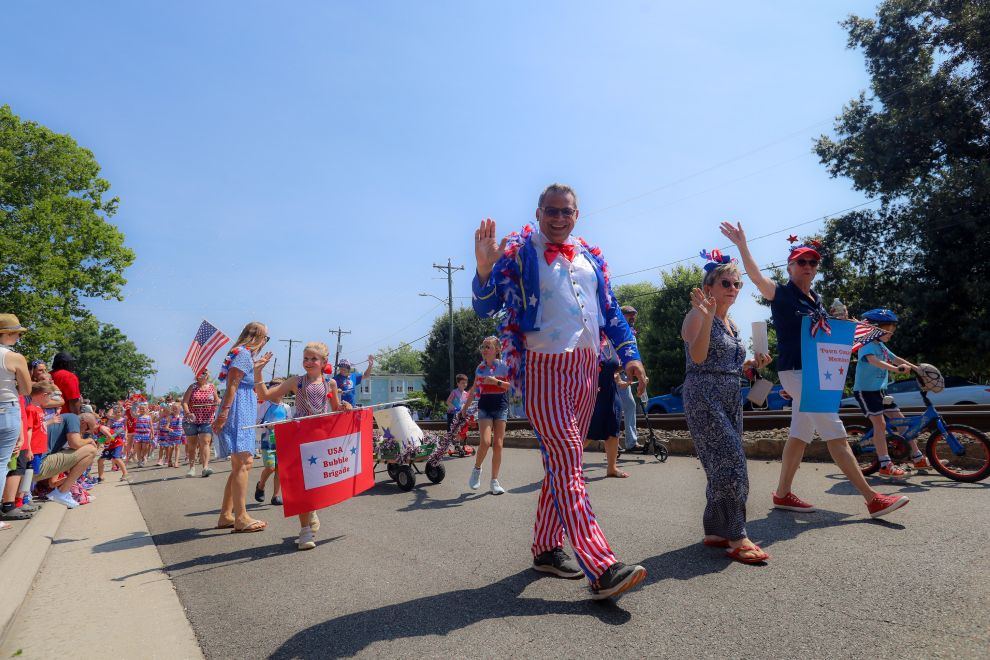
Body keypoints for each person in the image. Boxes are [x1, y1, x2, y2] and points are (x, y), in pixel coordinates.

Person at [471, 183, 649, 600]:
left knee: (561, 459)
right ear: (538, 212)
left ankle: (547, 549)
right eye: (551, 210)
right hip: (543, 367)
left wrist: (630, 355)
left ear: (576, 214)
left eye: (566, 211)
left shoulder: (591, 256)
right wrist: (483, 270)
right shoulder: (519, 251)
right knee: (568, 459)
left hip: (588, 368)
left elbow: (611, 311)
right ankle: (602, 566)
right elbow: (485, 307)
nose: (558, 217)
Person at [721, 222, 909, 518]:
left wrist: (846, 325)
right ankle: (872, 498)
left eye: (812, 262)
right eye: (802, 262)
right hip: (799, 372)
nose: (808, 266)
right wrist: (743, 245)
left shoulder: (817, 300)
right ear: (790, 267)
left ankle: (782, 494)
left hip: (814, 374)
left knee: (800, 434)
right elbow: (756, 277)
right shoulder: (781, 294)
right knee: (835, 432)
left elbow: (825, 337)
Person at [681, 252, 772, 564]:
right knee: (731, 461)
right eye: (726, 282)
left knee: (723, 463)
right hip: (704, 395)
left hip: (730, 395)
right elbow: (699, 357)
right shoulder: (697, 315)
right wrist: (706, 316)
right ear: (709, 286)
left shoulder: (730, 322)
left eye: (737, 283)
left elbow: (725, 360)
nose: (733, 287)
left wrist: (751, 363)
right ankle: (736, 535)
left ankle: (716, 530)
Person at [254, 342, 343, 550]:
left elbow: (337, 409)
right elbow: (265, 395)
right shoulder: (296, 382)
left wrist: (345, 407)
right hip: (299, 437)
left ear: (323, 363)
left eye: (313, 359)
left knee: (317, 485)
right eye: (306, 358)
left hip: (321, 438)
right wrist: (258, 373)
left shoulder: (330, 384)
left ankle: (311, 513)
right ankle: (305, 531)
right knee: (302, 485)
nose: (309, 362)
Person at [852, 308, 930, 476]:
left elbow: (896, 359)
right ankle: (885, 465)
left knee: (901, 420)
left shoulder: (881, 345)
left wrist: (918, 369)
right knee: (879, 424)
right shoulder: (867, 344)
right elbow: (874, 361)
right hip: (866, 392)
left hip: (880, 391)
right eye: (888, 330)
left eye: (893, 330)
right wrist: (896, 370)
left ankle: (917, 458)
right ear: (874, 328)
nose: (891, 333)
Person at [212, 321, 270, 533]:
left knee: (239, 464)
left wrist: (258, 367)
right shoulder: (244, 354)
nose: (265, 342)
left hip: (242, 408)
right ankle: (241, 517)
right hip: (237, 409)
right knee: (243, 463)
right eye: (266, 337)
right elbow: (233, 385)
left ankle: (226, 515)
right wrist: (225, 413)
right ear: (258, 337)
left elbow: (239, 378)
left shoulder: (244, 355)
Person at [461, 337, 511, 495]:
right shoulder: (480, 368)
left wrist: (496, 382)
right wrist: (465, 407)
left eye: (488, 347)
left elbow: (512, 386)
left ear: (497, 350)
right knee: (485, 441)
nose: (484, 349)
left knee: (498, 444)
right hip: (485, 407)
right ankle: (477, 469)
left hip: (501, 406)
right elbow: (474, 389)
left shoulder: (504, 366)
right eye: (483, 346)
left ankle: (494, 482)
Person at [34, 411, 98, 509]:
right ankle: (62, 492)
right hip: (37, 466)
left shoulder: (63, 421)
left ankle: (64, 492)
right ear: (83, 422)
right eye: (87, 430)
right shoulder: (73, 418)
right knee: (91, 450)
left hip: (32, 467)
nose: (85, 433)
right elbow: (75, 444)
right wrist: (90, 440)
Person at [585, 343, 628, 478]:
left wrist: (621, 380)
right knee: (589, 432)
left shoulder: (612, 344)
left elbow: (614, 369)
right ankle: (567, 466)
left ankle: (612, 468)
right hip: (594, 392)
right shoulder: (590, 340)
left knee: (613, 430)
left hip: (611, 392)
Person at [0, 314, 32, 497]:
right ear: (9, 333)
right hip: (6, 408)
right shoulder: (14, 357)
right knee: (2, 462)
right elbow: (26, 390)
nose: (19, 337)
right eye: (18, 334)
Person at [254, 378, 289, 506]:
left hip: (282, 442)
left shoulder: (286, 407)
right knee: (270, 468)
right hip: (268, 441)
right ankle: (261, 486)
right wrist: (267, 425)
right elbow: (257, 422)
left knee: (280, 469)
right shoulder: (265, 405)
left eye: (281, 388)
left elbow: (289, 421)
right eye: (275, 389)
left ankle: (276, 495)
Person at [182, 368, 220, 478]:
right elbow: (184, 402)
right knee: (192, 445)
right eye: (199, 373)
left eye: (203, 373)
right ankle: (192, 468)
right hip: (192, 419)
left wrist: (218, 403)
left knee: (205, 442)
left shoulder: (212, 387)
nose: (201, 375)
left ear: (207, 375)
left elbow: (216, 401)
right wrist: (188, 412)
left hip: (207, 419)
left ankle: (205, 467)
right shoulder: (192, 387)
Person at [617, 305, 641, 450]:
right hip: (614, 374)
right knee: (613, 408)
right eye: (629, 315)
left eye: (634, 315)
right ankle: (611, 441)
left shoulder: (631, 333)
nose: (633, 317)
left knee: (630, 405)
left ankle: (630, 443)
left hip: (625, 375)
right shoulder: (616, 332)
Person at [97, 405, 129, 482]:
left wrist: (101, 442)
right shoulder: (110, 421)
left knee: (117, 458)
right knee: (100, 460)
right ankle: (101, 477)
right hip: (111, 441)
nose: (117, 413)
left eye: (118, 412)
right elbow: (105, 436)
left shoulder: (101, 428)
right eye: (115, 412)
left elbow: (108, 436)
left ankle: (125, 474)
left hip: (117, 442)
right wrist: (99, 443)